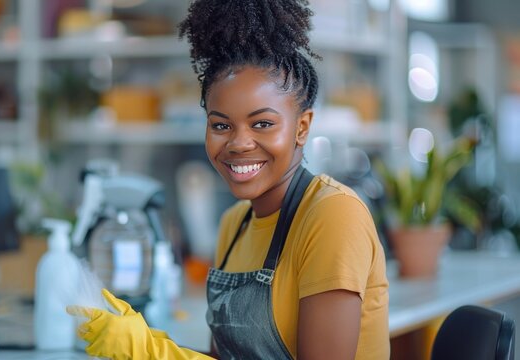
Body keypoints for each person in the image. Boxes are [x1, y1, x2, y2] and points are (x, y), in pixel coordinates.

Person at [68, 0, 389, 359]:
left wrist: (153, 353)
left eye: (262, 124)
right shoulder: (233, 226)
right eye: (221, 125)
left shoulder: (332, 216)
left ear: (302, 127)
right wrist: (151, 343)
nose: (238, 143)